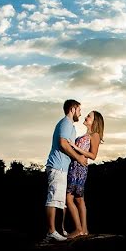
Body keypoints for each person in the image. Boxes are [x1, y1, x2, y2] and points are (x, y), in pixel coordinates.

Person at [45, 100, 89, 242]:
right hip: (57, 166)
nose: (81, 113)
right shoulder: (66, 123)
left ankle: (59, 230)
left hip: (63, 168)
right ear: (72, 109)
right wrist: (78, 158)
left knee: (61, 202)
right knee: (53, 199)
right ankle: (51, 231)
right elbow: (63, 144)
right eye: (79, 110)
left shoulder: (70, 126)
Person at [64, 111, 104, 238]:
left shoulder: (95, 135)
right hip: (74, 166)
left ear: (95, 121)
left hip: (79, 169)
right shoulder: (85, 134)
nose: (86, 117)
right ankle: (84, 230)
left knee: (69, 198)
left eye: (89, 116)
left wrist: (76, 148)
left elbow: (93, 155)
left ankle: (78, 229)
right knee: (79, 199)